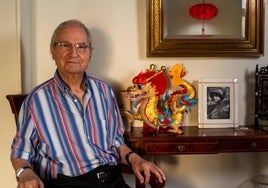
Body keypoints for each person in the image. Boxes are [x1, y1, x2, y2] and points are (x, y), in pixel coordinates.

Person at [10, 19, 166, 188]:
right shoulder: (36, 100)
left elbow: (116, 143)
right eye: (65, 45)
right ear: (52, 50)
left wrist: (136, 160)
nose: (73, 53)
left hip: (111, 179)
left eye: (81, 46)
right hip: (68, 183)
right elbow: (21, 153)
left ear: (89, 53)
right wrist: (25, 173)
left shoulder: (104, 91)